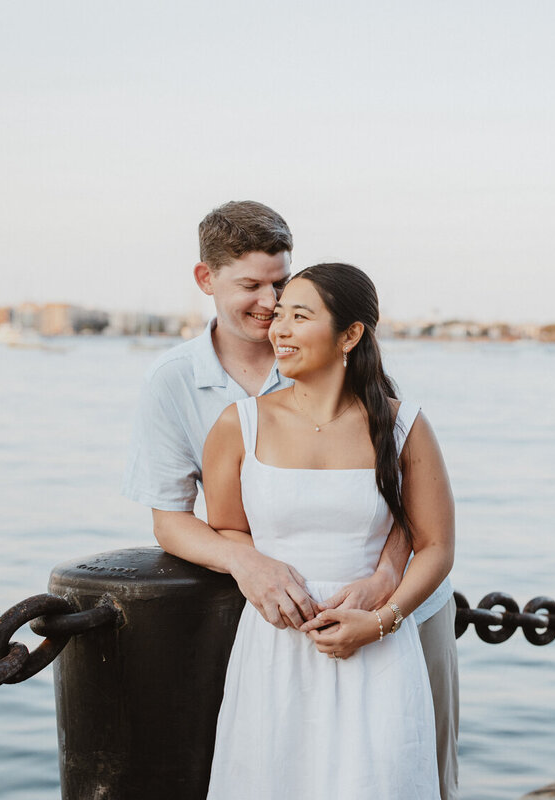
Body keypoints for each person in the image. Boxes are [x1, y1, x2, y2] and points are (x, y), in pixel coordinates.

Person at [122, 202, 459, 798]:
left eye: (281, 286)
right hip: (283, 630)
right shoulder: (180, 385)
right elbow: (175, 521)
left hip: (400, 613)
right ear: (207, 281)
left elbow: (404, 504)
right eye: (250, 286)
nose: (270, 306)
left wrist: (385, 589)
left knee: (411, 769)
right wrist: (249, 563)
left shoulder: (365, 385)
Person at [200, 263, 454, 798]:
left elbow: (435, 547)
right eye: (280, 316)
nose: (279, 328)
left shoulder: (404, 426)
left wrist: (382, 620)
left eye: (299, 315)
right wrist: (263, 575)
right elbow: (226, 531)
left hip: (377, 650)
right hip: (276, 650)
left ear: (350, 334)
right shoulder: (238, 424)